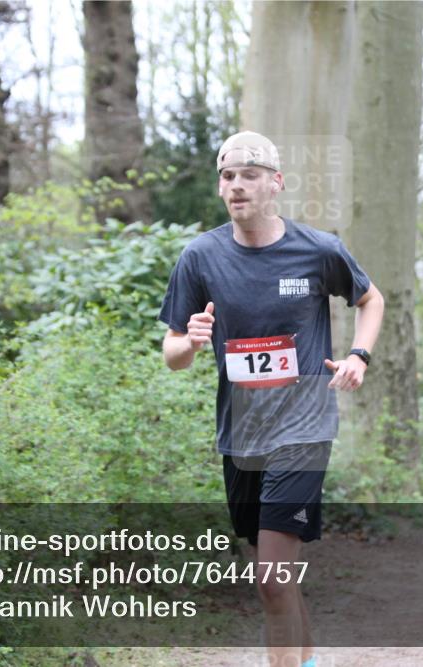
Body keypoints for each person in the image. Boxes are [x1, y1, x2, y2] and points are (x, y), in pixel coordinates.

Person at [159, 130, 385, 667]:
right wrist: (190, 343)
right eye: (228, 176)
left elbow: (370, 299)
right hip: (241, 435)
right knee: (274, 576)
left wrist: (358, 356)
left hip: (304, 430)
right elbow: (172, 352)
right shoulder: (201, 257)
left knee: (271, 579)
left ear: (276, 183)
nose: (237, 185)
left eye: (250, 175)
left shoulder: (318, 250)